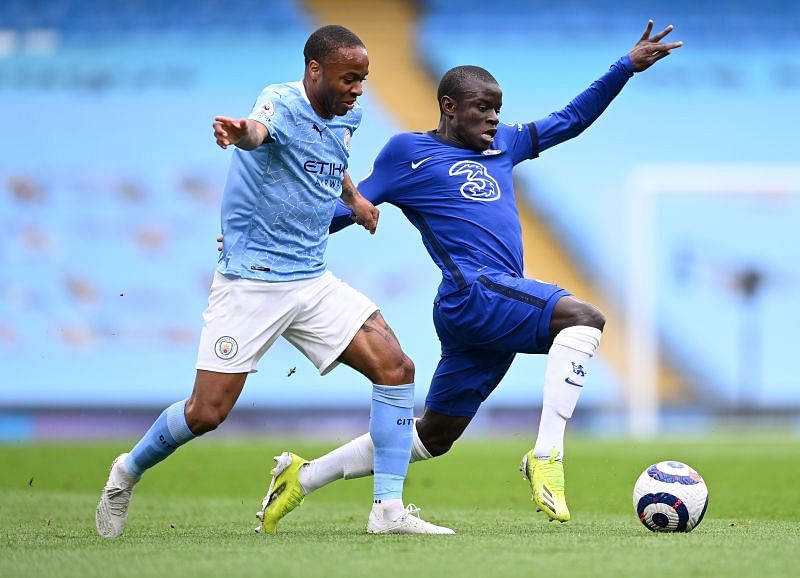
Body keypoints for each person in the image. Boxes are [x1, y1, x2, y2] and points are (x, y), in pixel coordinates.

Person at [250, 20, 683, 532]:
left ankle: (303, 477)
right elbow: (354, 205)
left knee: (433, 436)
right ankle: (547, 455)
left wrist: (624, 68)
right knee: (584, 318)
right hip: (472, 291)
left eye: (497, 110)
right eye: (483, 109)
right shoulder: (409, 152)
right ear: (449, 107)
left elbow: (570, 120)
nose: (493, 120)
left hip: (487, 305)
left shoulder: (506, 146)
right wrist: (270, 234)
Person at [95, 24, 454, 539]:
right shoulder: (279, 102)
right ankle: (126, 471)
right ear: (314, 70)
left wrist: (354, 200)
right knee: (206, 412)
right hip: (252, 283)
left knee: (396, 368)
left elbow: (334, 159)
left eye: (364, 79)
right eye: (348, 77)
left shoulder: (346, 114)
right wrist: (239, 134)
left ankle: (387, 510)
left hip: (311, 278)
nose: (358, 89)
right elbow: (259, 133)